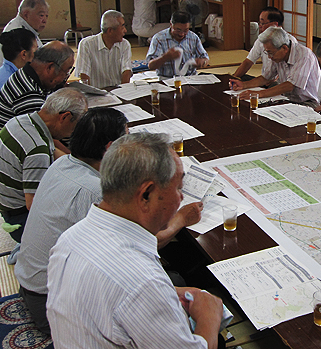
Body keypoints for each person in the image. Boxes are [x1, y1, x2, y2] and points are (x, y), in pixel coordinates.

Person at [14, 108, 205, 335]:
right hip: (47, 300)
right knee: (179, 276)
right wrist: (180, 219)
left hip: (32, 282)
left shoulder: (63, 163)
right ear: (112, 149)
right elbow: (144, 242)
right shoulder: (98, 192)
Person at [47, 133, 223, 349]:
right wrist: (209, 318)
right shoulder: (143, 282)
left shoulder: (70, 238)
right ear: (146, 194)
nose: (182, 198)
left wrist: (167, 292)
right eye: (178, 188)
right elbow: (136, 287)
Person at [0, 88, 87, 242]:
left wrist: (81, 167)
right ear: (65, 117)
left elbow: (54, 151)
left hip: (7, 206)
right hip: (21, 220)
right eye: (75, 126)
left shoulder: (22, 121)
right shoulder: (37, 150)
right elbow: (34, 205)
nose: (73, 133)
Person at [0, 40, 75, 136]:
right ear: (50, 68)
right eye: (65, 71)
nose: (65, 77)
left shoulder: (27, 74)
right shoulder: (28, 93)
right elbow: (44, 136)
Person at [230, 27, 320, 105]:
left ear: (284, 48)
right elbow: (265, 78)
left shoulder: (304, 55)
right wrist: (244, 85)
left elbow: (290, 86)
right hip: (286, 98)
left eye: (271, 53)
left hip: (308, 102)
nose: (269, 57)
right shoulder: (277, 56)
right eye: (267, 52)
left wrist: (258, 94)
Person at [231, 7, 295, 79]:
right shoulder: (262, 39)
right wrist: (233, 78)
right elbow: (248, 61)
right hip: (264, 79)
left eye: (262, 23)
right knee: (242, 79)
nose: (260, 26)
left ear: (275, 25)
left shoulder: (289, 41)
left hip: (280, 83)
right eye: (259, 23)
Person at [75, 10, 133, 88]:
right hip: (96, 92)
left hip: (117, 90)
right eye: (122, 26)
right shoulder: (87, 44)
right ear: (110, 31)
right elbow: (84, 74)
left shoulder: (125, 44)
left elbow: (126, 71)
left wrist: (123, 92)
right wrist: (90, 93)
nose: (125, 30)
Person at [146, 10, 209, 77]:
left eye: (186, 30)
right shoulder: (158, 39)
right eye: (178, 30)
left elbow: (205, 58)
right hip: (168, 80)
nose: (181, 34)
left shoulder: (193, 37)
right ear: (171, 24)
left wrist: (202, 62)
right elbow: (151, 66)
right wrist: (165, 57)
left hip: (190, 78)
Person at [0, 0, 48, 67]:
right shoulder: (17, 32)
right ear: (26, 14)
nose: (45, 20)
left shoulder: (29, 28)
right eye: (41, 15)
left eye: (47, 16)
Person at [0, 29, 37, 107]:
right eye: (36, 50)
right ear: (24, 54)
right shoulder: (7, 80)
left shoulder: (10, 72)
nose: (37, 54)